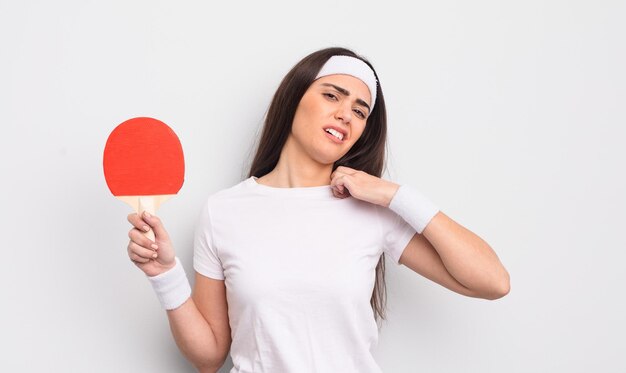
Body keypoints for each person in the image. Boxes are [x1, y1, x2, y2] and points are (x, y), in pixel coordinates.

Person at [125, 47, 510, 373]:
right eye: (332, 95)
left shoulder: (372, 210)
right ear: (294, 99)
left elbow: (492, 282)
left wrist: (394, 195)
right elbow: (209, 357)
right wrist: (164, 275)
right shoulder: (223, 211)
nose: (346, 114)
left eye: (360, 111)